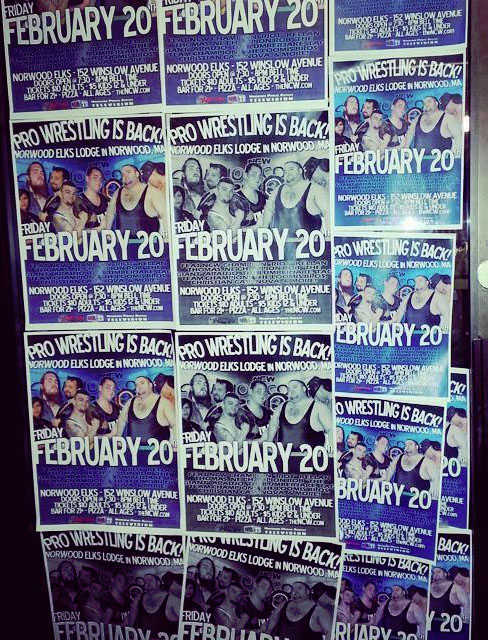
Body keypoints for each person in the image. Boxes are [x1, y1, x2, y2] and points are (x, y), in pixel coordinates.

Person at [259, 161, 328, 236]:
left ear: (300, 171)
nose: (288, 173)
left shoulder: (315, 189)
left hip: (308, 241)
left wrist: (329, 234)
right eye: (285, 171)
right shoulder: (277, 190)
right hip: (281, 241)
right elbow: (268, 209)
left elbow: (328, 212)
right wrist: (265, 227)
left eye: (291, 169)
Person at [103, 164, 167, 238]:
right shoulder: (118, 192)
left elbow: (165, 214)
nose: (125, 177)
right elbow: (110, 213)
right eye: (123, 174)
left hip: (148, 243)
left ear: (137, 174)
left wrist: (167, 237)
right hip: (122, 243)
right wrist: (107, 232)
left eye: (128, 172)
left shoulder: (152, 192)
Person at [117, 376, 172, 444]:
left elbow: (175, 424)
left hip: (157, 449)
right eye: (136, 385)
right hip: (132, 449)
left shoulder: (163, 402)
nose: (139, 387)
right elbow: (121, 419)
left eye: (142, 383)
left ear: (150, 385)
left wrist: (173, 445)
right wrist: (118, 439)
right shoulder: (130, 402)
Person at [131, 573, 180, 639]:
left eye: (150, 580)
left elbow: (184, 624)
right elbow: (129, 621)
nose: (147, 584)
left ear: (158, 582)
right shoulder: (139, 598)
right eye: (145, 581)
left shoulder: (173, 600)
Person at [430, 566, 469, 631]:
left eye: (438, 572)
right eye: (434, 573)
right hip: (432, 629)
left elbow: (466, 604)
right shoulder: (430, 588)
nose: (436, 574)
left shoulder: (456, 589)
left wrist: (465, 625)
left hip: (451, 630)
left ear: (445, 574)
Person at [308, 377, 333, 442]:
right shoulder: (330, 402)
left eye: (315, 396)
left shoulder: (331, 404)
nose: (317, 400)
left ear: (320, 389)